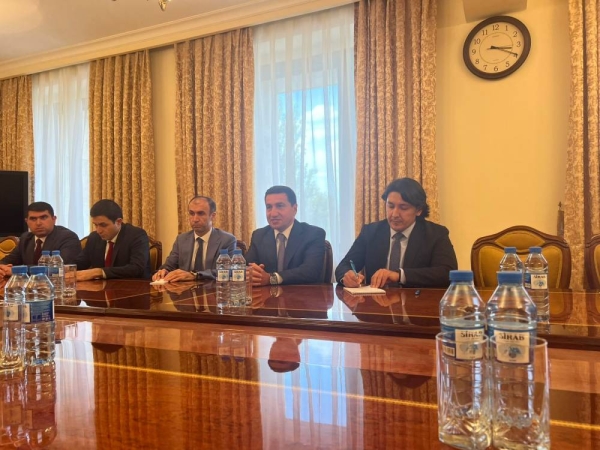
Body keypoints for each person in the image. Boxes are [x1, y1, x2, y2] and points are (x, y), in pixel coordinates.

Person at [335, 177, 458, 288]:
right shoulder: (371, 232)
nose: (394, 214)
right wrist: (347, 276)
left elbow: (447, 273)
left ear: (419, 210)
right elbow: (344, 266)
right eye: (390, 206)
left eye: (403, 208)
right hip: (376, 303)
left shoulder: (436, 234)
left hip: (416, 303)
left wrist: (400, 275)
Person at [245, 186, 326, 286]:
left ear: (294, 209)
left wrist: (271, 278)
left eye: (280, 206)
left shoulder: (313, 234)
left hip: (302, 294)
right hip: (266, 295)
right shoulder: (259, 235)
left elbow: (311, 271)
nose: (273, 214)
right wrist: (252, 273)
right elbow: (247, 266)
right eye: (269, 207)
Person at [152, 196, 236, 282]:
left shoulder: (227, 240)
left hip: (213, 288)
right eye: (191, 213)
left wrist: (195, 275)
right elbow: (169, 265)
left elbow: (227, 271)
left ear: (213, 216)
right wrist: (163, 271)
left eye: (201, 214)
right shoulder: (181, 239)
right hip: (185, 289)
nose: (195, 219)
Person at [75, 199, 151, 280]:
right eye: (96, 225)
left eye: (103, 225)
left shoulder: (136, 236)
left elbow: (136, 268)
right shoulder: (94, 238)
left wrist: (100, 272)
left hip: (132, 286)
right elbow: (80, 263)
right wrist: (67, 268)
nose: (98, 231)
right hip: (100, 287)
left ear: (118, 222)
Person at [0, 202, 80, 277]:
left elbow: (60, 268)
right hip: (28, 285)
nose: (38, 223)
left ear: (54, 219)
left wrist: (15, 271)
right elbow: (7, 261)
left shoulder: (68, 237)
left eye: (43, 218)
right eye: (33, 219)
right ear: (26, 221)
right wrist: (2, 268)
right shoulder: (26, 238)